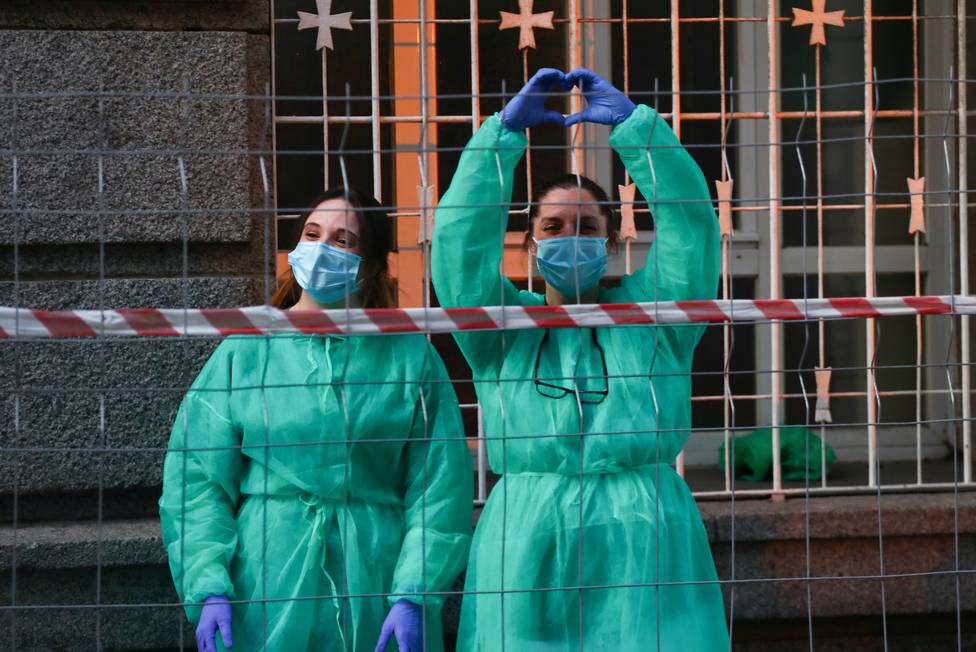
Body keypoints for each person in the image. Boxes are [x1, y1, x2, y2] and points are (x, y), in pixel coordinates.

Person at [432, 68, 730, 650]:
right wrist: (498, 141)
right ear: (530, 243)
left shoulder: (658, 318)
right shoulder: (500, 327)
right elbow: (457, 247)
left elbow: (692, 226)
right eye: (554, 226)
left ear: (614, 239)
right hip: (528, 541)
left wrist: (640, 133)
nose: (571, 237)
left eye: (587, 226)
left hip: (644, 540)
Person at [160, 188, 473, 652]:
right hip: (263, 578)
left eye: (344, 240)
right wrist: (208, 583)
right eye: (313, 233)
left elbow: (440, 490)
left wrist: (414, 591)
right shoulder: (249, 347)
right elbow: (197, 480)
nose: (324, 247)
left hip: (374, 579)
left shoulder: (410, 357)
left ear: (370, 264)